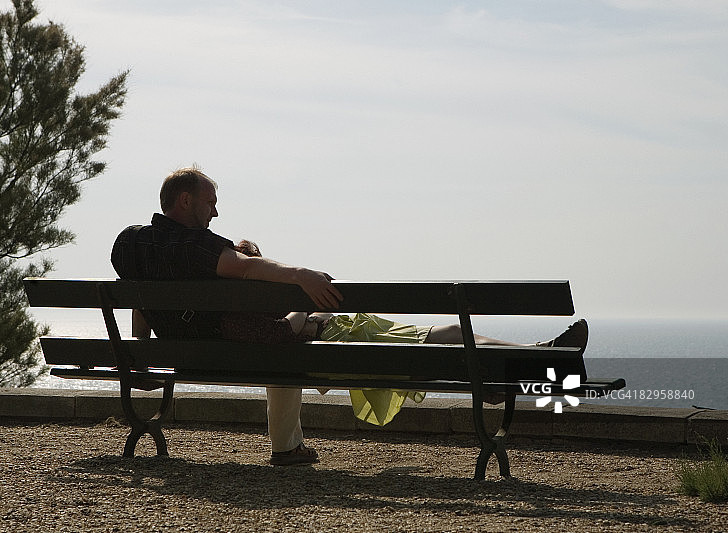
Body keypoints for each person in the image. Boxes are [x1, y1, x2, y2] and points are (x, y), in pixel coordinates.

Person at [112, 166, 589, 465]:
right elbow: (246, 266)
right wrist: (302, 276)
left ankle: (531, 362)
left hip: (208, 355)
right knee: (439, 334)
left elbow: (138, 296)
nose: (216, 212)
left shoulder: (130, 243)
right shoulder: (197, 248)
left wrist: (141, 356)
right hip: (274, 347)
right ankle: (536, 361)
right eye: (211, 203)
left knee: (422, 337)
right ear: (185, 200)